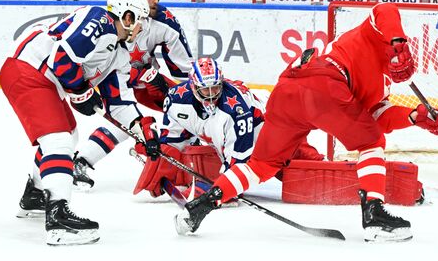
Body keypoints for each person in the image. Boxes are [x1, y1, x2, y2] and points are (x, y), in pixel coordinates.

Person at [173, 3, 438, 243]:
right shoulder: (372, 34)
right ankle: (375, 216)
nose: (399, 68)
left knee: (262, 164)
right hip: (324, 84)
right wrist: (397, 42)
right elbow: (385, 9)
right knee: (372, 144)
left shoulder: (382, 87)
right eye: (399, 61)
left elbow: (378, 118)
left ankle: (200, 206)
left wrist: (416, 117)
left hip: (288, 90)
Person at [0, 0, 162, 245]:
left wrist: (143, 132)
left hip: (44, 80)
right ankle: (58, 217)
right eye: (141, 21)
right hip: (27, 69)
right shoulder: (98, 19)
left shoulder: (119, 54)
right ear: (128, 17)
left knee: (69, 135)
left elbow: (118, 101)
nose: (142, 29)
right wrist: (82, 91)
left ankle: (35, 194)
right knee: (58, 141)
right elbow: (62, 60)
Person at [133, 57, 324, 199]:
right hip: (233, 134)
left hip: (268, 126)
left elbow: (239, 161)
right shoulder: (175, 100)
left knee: (305, 174)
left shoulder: (236, 111)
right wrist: (159, 154)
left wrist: (219, 192)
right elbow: (175, 140)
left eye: (215, 88)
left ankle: (334, 174)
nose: (210, 96)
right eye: (204, 90)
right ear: (193, 87)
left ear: (221, 83)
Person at [72, 0, 194, 189]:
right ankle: (82, 161)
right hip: (114, 77)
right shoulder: (117, 19)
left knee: (185, 107)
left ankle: (191, 154)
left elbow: (183, 70)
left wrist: (182, 93)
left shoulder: (165, 22)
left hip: (147, 81)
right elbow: (101, 60)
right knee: (124, 124)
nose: (156, 1)